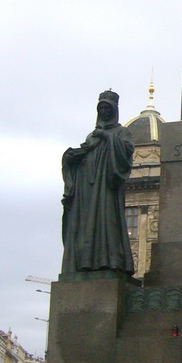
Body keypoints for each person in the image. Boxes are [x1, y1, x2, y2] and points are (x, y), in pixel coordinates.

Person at [61, 90, 135, 275]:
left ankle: (107, 261)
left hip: (106, 186)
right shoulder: (91, 135)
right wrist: (71, 158)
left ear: (114, 109)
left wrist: (107, 136)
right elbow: (86, 153)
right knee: (85, 225)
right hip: (88, 186)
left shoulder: (121, 131)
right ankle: (85, 261)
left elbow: (125, 154)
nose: (104, 110)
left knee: (106, 222)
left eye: (107, 107)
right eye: (101, 107)